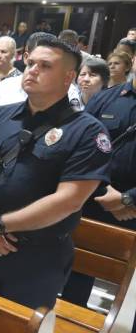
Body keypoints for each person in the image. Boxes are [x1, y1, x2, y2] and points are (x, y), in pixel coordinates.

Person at [0, 37, 111, 309]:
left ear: (69, 77)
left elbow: (69, 200)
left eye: (45, 65)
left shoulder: (88, 131)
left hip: (37, 255)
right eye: (30, 63)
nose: (32, 70)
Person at [62, 58, 136, 325]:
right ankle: (70, 322)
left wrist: (128, 198)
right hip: (96, 198)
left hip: (133, 210)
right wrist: (105, 191)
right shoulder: (107, 99)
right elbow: (82, 145)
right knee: (80, 269)